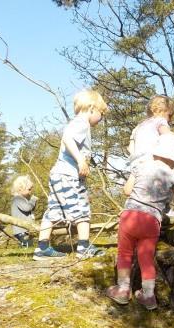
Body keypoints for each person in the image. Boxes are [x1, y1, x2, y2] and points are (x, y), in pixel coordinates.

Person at [107, 132, 174, 310]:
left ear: (156, 152)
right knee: (146, 258)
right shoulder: (173, 176)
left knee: (124, 253)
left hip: (130, 216)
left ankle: (123, 290)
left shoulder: (140, 166)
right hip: (152, 221)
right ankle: (148, 296)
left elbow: (126, 190)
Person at [33, 89, 108, 260]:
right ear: (91, 108)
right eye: (101, 113)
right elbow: (67, 138)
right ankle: (83, 247)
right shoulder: (82, 123)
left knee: (53, 212)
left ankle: (42, 248)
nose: (101, 118)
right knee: (82, 210)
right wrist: (81, 160)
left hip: (59, 174)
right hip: (68, 176)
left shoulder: (77, 123)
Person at [124, 95, 174, 191]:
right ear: (163, 111)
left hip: (136, 162)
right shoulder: (160, 121)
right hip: (151, 159)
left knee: (130, 190)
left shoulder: (139, 126)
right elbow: (168, 134)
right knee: (158, 188)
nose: (170, 120)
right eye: (170, 116)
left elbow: (130, 147)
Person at [11, 175, 38, 247]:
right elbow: (27, 208)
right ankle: (24, 254)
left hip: (25, 228)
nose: (31, 191)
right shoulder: (17, 198)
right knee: (27, 244)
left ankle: (24, 252)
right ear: (20, 189)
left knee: (28, 244)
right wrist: (33, 199)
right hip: (21, 229)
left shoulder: (23, 199)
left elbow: (31, 209)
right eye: (29, 189)